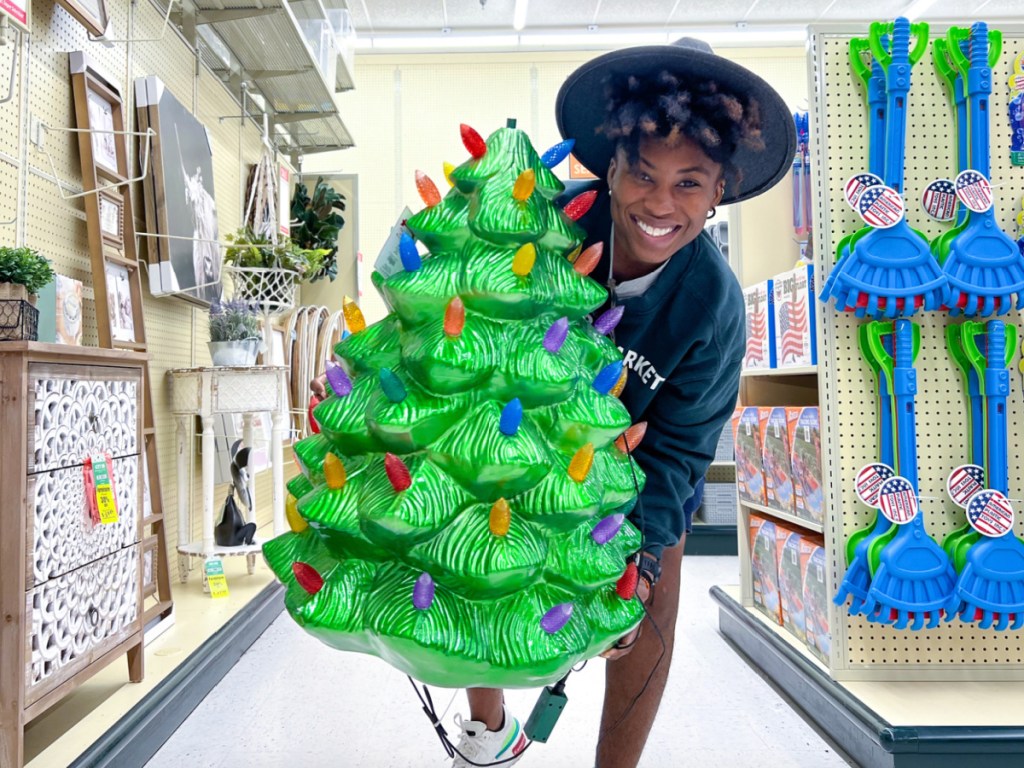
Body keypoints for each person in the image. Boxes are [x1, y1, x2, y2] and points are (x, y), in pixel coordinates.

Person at [311, 37, 794, 768]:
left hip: (617, 470)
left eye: (690, 183)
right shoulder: (548, 221)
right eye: (643, 174)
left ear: (719, 190)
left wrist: (644, 565)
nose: (660, 204)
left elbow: (679, 458)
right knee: (472, 529)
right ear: (611, 167)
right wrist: (369, 386)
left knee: (654, 577)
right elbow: (437, 300)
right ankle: (488, 724)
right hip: (507, 442)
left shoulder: (713, 309)